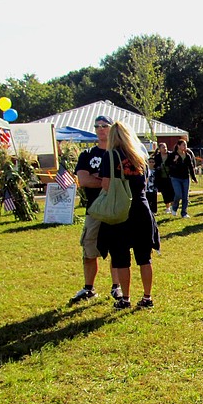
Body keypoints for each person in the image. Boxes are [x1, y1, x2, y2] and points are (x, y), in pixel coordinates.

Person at [97, 121, 160, 309]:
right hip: (141, 208)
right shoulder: (140, 156)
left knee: (121, 257)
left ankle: (125, 298)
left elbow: (106, 184)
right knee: (144, 257)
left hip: (121, 210)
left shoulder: (110, 156)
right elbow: (144, 182)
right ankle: (147, 297)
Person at [69, 115, 121, 303]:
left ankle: (117, 287)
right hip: (94, 210)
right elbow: (83, 180)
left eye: (105, 126)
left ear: (112, 128)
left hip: (116, 209)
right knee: (89, 250)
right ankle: (88, 288)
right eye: (97, 126)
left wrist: (98, 178)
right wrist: (105, 180)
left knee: (117, 249)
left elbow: (121, 181)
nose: (101, 129)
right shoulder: (87, 155)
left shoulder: (119, 153)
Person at [166, 139, 196, 218]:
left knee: (185, 196)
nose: (185, 147)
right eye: (183, 145)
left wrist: (193, 177)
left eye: (186, 145)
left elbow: (191, 167)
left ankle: (184, 213)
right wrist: (174, 160)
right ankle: (174, 208)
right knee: (178, 194)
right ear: (178, 146)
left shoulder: (187, 155)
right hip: (175, 177)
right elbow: (167, 164)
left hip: (185, 177)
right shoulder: (173, 155)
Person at [153, 142, 175, 209]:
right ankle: (167, 207)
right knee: (164, 192)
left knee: (172, 191)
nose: (165, 149)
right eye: (163, 147)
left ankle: (173, 206)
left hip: (171, 176)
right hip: (161, 177)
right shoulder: (157, 157)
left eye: (165, 147)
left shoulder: (171, 155)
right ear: (159, 149)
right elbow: (154, 166)